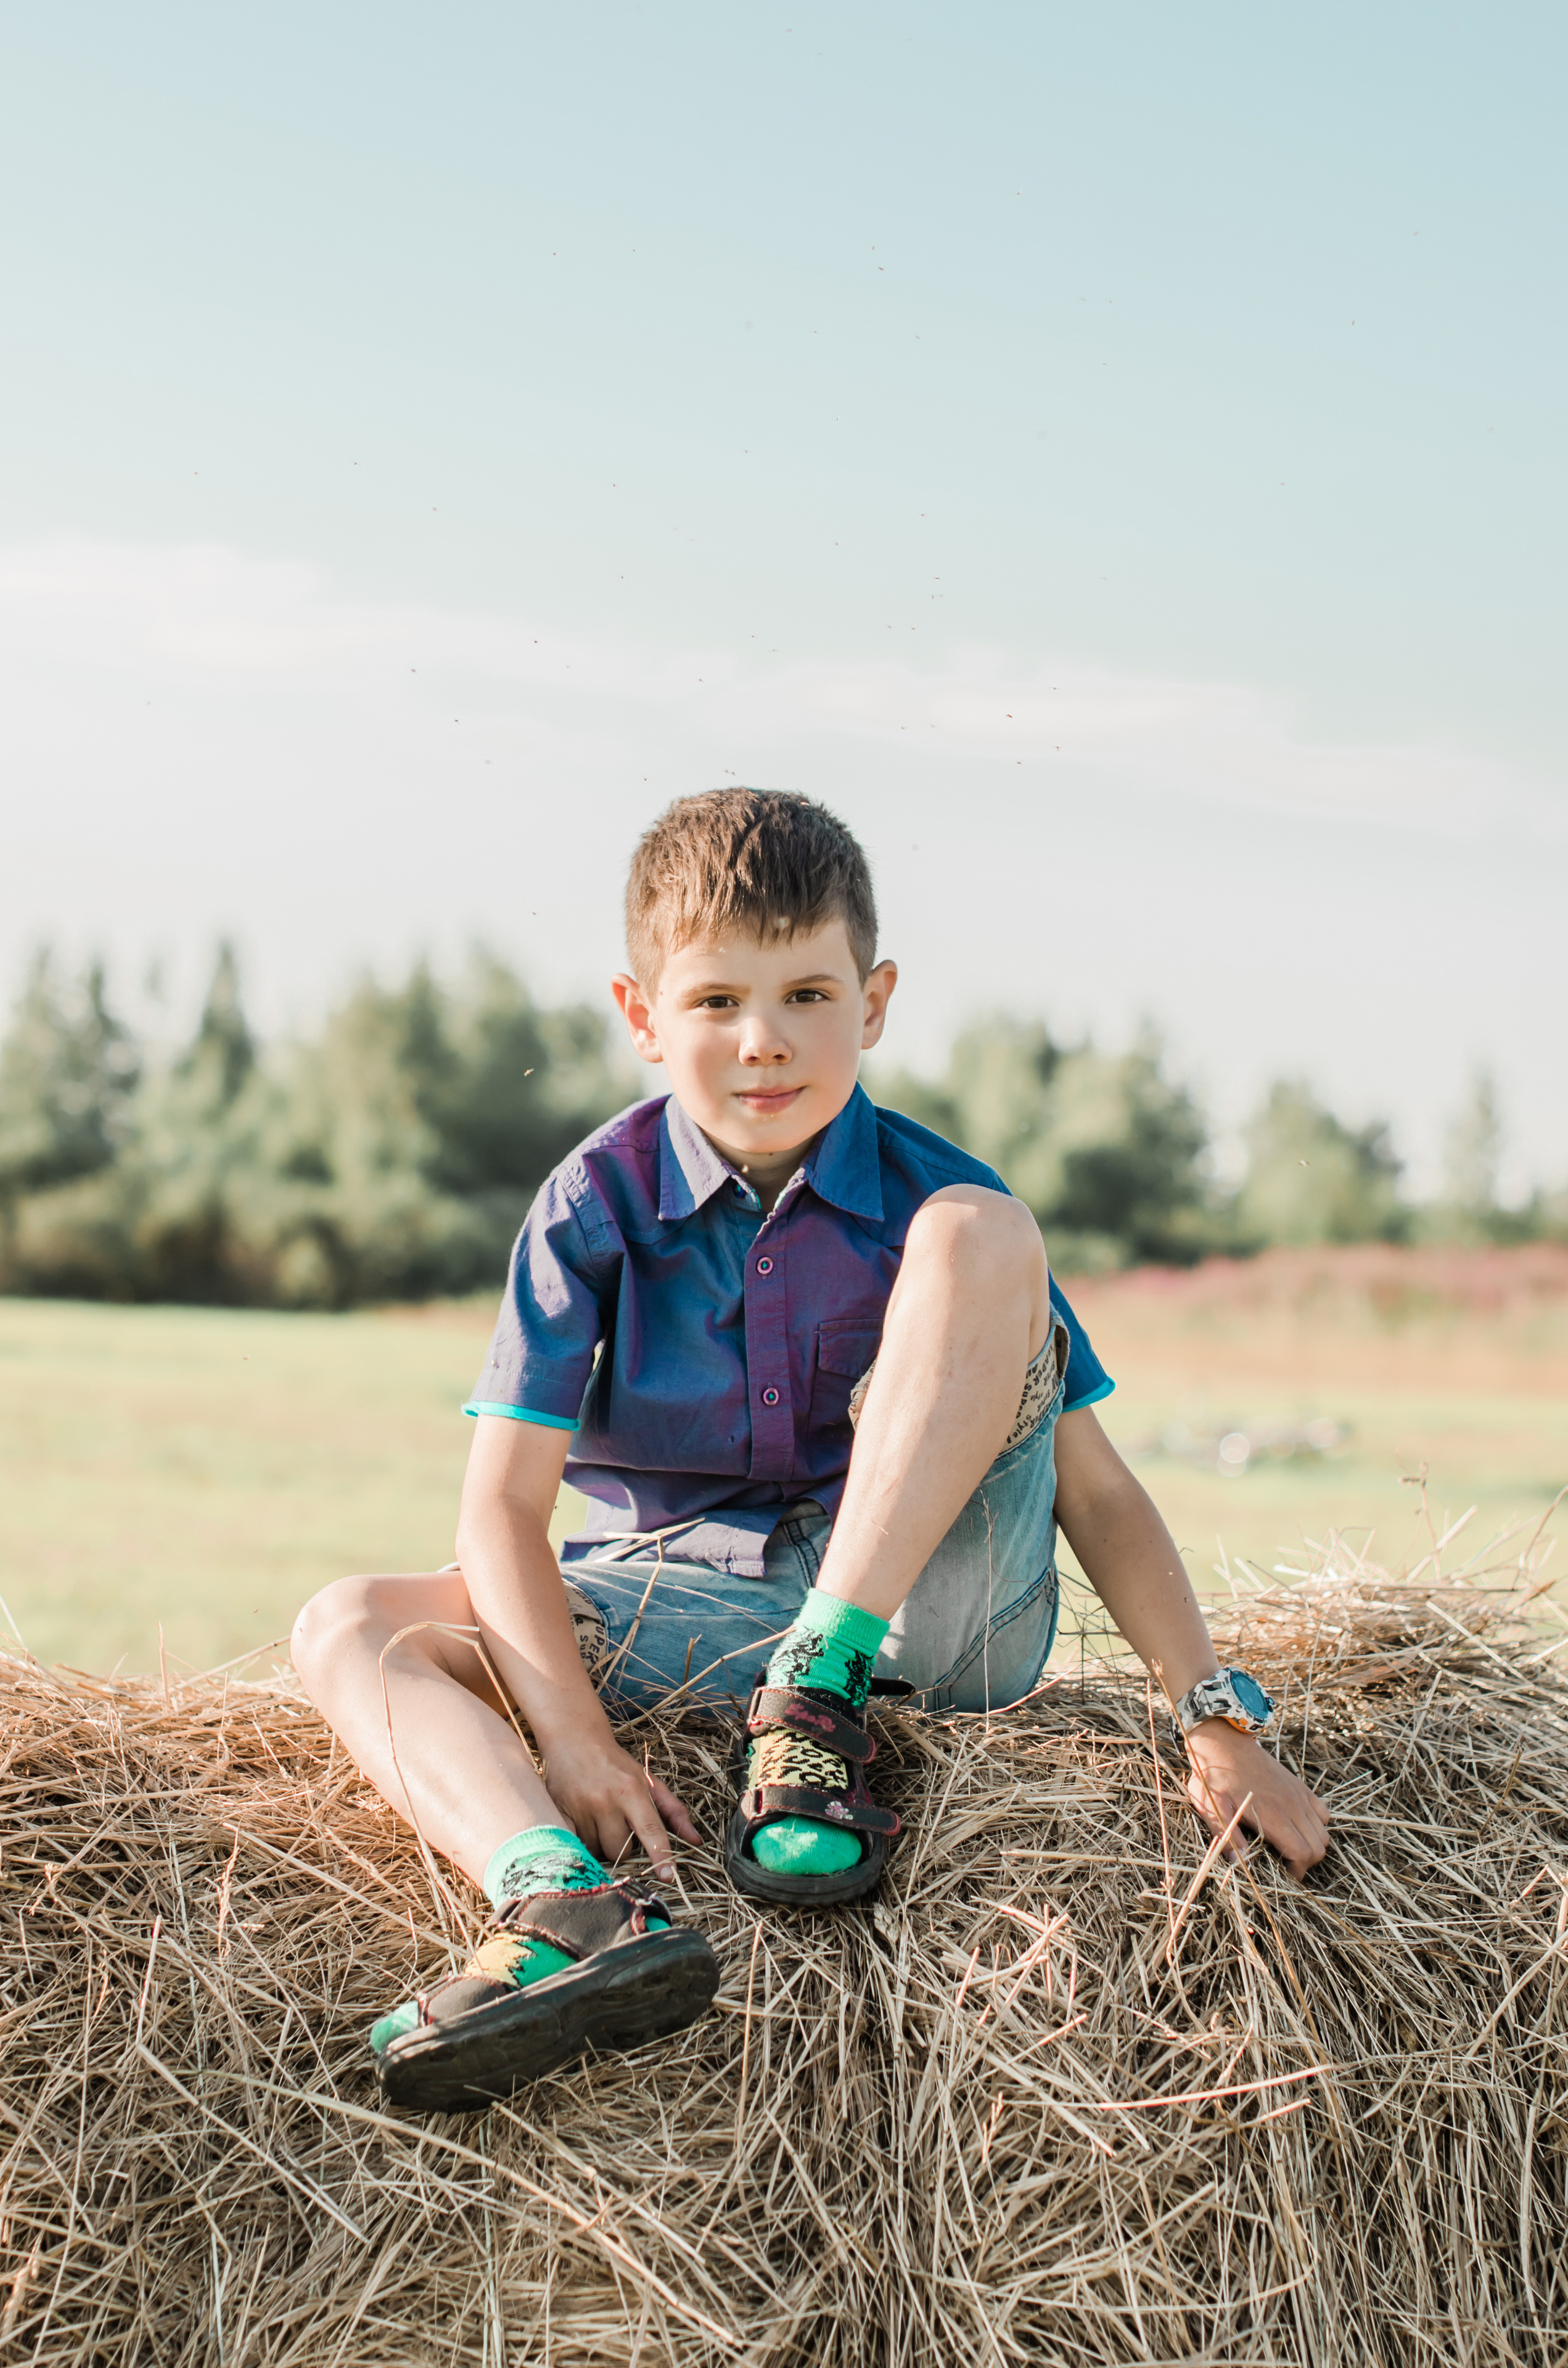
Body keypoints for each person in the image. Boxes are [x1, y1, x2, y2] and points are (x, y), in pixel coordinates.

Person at [291, 789, 1329, 2113]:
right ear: (641, 1015)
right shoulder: (590, 1207)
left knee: (984, 1229)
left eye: (809, 996)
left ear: (877, 1002)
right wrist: (576, 1745)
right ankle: (563, 1908)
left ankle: (817, 1683)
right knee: (349, 1624)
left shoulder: (932, 1190)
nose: (764, 1041)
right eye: (717, 1001)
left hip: (929, 1610)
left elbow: (1094, 1484)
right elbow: (500, 1513)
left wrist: (1211, 1718)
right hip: (687, 1608)